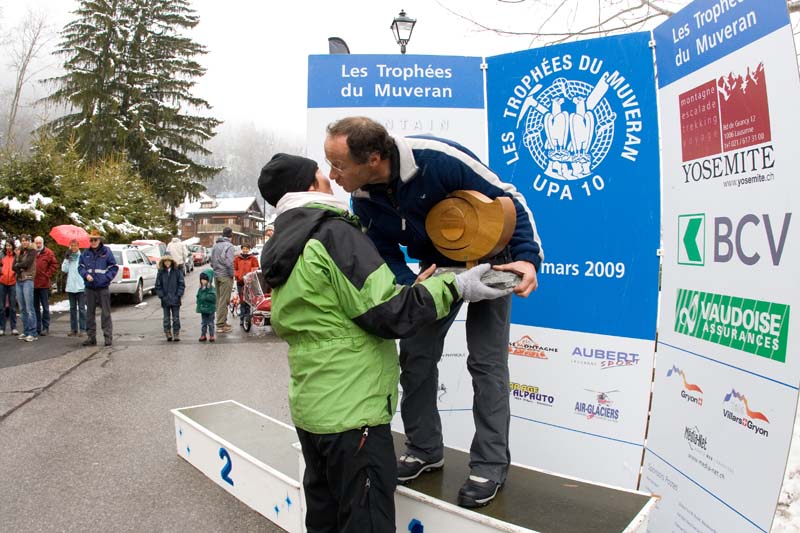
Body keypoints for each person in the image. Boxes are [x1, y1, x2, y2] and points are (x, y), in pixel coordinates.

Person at [257, 153, 511, 532]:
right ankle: (426, 449)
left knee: (325, 518)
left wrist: (412, 288)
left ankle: (468, 458)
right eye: (322, 172)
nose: (331, 177)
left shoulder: (283, 245)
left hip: (314, 412)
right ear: (311, 185)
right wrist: (455, 285)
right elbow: (390, 312)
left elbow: (345, 308)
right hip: (353, 414)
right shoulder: (334, 234)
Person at [324, 116, 543, 508]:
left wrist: (527, 258)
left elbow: (510, 198)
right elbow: (383, 250)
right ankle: (425, 449)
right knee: (416, 355)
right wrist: (409, 284)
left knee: (486, 362)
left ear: (373, 159)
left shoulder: (437, 158)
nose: (332, 175)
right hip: (438, 266)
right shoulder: (363, 197)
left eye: (339, 165)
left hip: (493, 258)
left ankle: (490, 466)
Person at [79, 229, 118, 347]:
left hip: (102, 288)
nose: (93, 242)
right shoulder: (85, 253)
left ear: (99, 240)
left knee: (105, 313)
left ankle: (108, 337)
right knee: (89, 314)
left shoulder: (106, 251)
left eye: (95, 240)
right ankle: (91, 337)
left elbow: (113, 267)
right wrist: (86, 275)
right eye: (91, 240)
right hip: (89, 287)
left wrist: (106, 279)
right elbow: (80, 267)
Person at [155, 253, 185, 342]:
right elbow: (158, 285)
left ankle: (176, 333)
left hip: (175, 299)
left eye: (168, 261)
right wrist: (162, 296)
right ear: (163, 262)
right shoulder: (161, 272)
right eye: (165, 261)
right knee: (166, 318)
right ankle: (167, 332)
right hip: (165, 299)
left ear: (171, 261)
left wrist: (178, 295)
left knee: (176, 317)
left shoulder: (177, 271)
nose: (167, 263)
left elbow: (181, 284)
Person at [12, 235, 37, 342]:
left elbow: (27, 264)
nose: (24, 242)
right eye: (22, 241)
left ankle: (33, 332)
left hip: (28, 279)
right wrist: (19, 264)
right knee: (22, 308)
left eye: (26, 240)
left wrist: (19, 265)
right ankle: (26, 331)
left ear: (29, 241)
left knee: (29, 308)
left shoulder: (32, 251)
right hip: (19, 280)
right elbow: (13, 267)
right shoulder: (19, 252)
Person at [210, 227, 235, 334]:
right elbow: (229, 262)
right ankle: (220, 324)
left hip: (217, 275)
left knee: (219, 299)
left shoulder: (216, 245)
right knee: (224, 300)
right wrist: (232, 274)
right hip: (225, 275)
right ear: (231, 235)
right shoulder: (229, 246)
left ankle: (223, 321)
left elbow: (211, 262)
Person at [32, 236, 58, 336]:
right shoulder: (32, 252)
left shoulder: (48, 252)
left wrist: (47, 274)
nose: (38, 245)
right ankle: (37, 327)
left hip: (44, 284)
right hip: (33, 283)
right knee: (35, 307)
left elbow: (54, 264)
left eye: (40, 243)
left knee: (45, 307)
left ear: (42, 243)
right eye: (36, 243)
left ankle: (45, 327)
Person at [61, 239, 87, 337]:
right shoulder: (69, 257)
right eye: (72, 245)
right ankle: (73, 329)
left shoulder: (82, 256)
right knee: (72, 309)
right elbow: (64, 269)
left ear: (78, 246)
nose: (74, 247)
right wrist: (66, 259)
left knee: (81, 309)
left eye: (75, 245)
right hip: (71, 286)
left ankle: (83, 329)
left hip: (80, 286)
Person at [233, 243, 259, 327]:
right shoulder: (237, 258)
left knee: (248, 301)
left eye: (247, 249)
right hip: (240, 282)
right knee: (242, 301)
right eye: (244, 248)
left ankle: (247, 319)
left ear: (249, 249)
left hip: (249, 283)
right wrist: (237, 275)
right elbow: (234, 268)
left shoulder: (253, 258)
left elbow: (255, 268)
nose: (245, 250)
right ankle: (242, 318)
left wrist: (250, 277)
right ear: (242, 249)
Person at [0, 240, 18, 336]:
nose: (8, 247)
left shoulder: (16, 256)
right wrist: (1, 271)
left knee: (12, 307)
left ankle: (13, 328)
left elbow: (19, 267)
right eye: (7, 246)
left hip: (13, 283)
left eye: (10, 245)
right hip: (2, 283)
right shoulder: (2, 255)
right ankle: (1, 328)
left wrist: (15, 274)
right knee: (1, 307)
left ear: (13, 246)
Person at [196, 270, 216, 342]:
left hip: (210, 309)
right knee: (203, 323)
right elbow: (198, 297)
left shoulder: (212, 289)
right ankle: (203, 335)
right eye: (201, 280)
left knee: (210, 323)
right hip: (203, 309)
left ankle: (211, 335)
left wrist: (205, 297)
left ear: (208, 280)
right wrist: (199, 305)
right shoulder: (200, 289)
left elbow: (214, 298)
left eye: (204, 280)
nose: (203, 281)